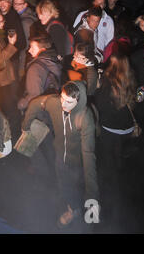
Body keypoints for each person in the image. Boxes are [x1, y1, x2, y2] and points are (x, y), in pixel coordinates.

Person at [22, 81, 99, 228]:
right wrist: (25, 126)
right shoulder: (54, 102)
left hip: (77, 160)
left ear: (78, 101)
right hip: (59, 155)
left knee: (75, 184)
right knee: (63, 183)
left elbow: (89, 155)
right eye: (62, 99)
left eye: (69, 102)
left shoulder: (84, 117)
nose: (63, 105)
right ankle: (72, 207)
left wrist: (92, 195)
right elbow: (35, 104)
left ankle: (76, 210)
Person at [94, 54, 137, 224]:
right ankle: (123, 179)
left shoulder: (107, 82)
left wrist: (97, 89)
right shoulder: (131, 80)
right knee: (120, 155)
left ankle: (111, 193)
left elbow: (101, 104)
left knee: (108, 159)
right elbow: (136, 101)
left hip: (110, 128)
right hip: (126, 128)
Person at [0, 9, 21, 144]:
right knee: (9, 110)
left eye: (2, 21)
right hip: (1, 81)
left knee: (11, 108)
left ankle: (12, 136)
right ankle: (12, 138)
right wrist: (11, 45)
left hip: (6, 79)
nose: (2, 24)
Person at [17, 33, 61, 111]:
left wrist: (21, 104)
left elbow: (34, 96)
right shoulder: (53, 59)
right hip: (53, 104)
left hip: (39, 110)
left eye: (32, 48)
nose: (29, 50)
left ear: (42, 49)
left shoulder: (35, 68)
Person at [13, 0, 38, 80]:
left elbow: (26, 45)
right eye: (14, 3)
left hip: (25, 59)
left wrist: (22, 66)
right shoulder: (22, 16)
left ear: (25, 5)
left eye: (19, 4)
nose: (16, 6)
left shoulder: (25, 22)